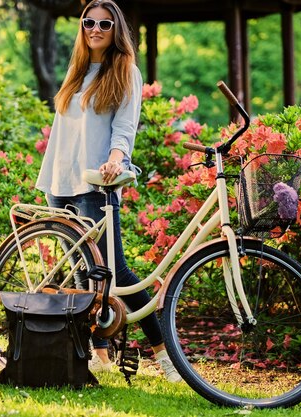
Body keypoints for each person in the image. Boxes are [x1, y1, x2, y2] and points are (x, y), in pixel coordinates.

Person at [35, 0, 182, 383]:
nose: (95, 28)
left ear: (116, 29)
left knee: (117, 273)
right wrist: (51, 177)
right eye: (88, 22)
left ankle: (167, 358)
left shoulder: (125, 71)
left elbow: (124, 128)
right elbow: (64, 131)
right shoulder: (77, 69)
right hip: (60, 182)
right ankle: (98, 355)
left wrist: (117, 158)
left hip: (95, 181)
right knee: (83, 273)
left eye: (104, 23)